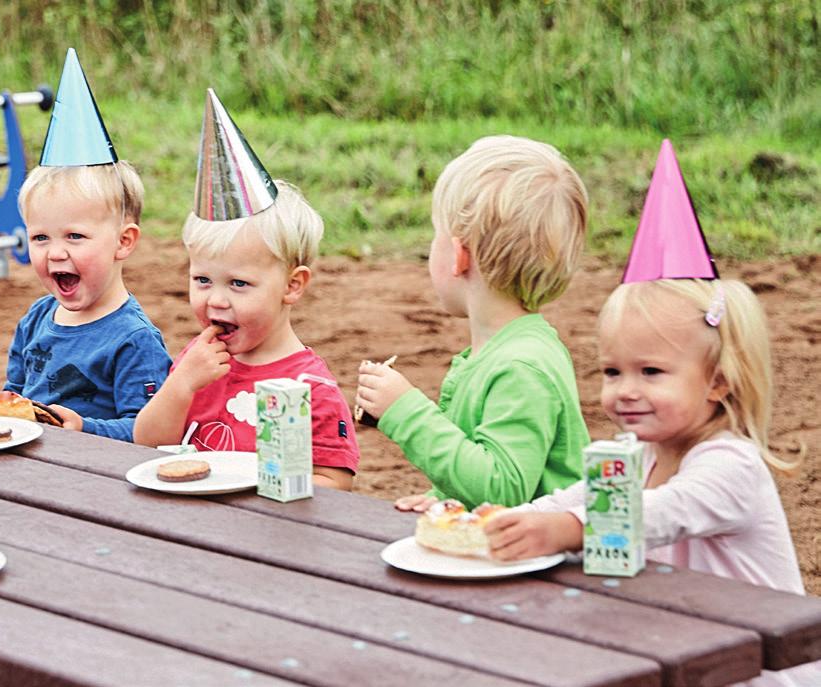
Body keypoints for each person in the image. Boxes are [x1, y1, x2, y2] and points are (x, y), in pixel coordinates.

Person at [485, 278, 817, 686]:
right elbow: (566, 500)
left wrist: (568, 529)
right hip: (687, 653)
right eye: (612, 371)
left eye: (651, 372)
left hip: (757, 671)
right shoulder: (637, 455)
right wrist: (492, 523)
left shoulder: (732, 465)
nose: (625, 391)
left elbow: (659, 514)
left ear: (717, 381)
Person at [133, 89, 358, 490]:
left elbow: (337, 482)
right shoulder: (196, 362)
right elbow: (147, 444)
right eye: (202, 280)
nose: (216, 299)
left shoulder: (311, 387)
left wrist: (269, 484)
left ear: (292, 285)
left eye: (239, 284)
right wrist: (181, 384)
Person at [355, 135, 590, 509]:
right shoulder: (507, 350)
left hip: (543, 566)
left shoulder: (520, 367)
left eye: (436, 235)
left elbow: (502, 490)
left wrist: (405, 410)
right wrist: (447, 501)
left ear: (460, 257)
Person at [1, 48, 172, 443]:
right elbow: (14, 393)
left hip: (98, 484)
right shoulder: (36, 319)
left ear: (123, 242)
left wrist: (83, 428)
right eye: (41, 237)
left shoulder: (134, 339)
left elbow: (149, 431)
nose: (55, 252)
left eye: (74, 236)